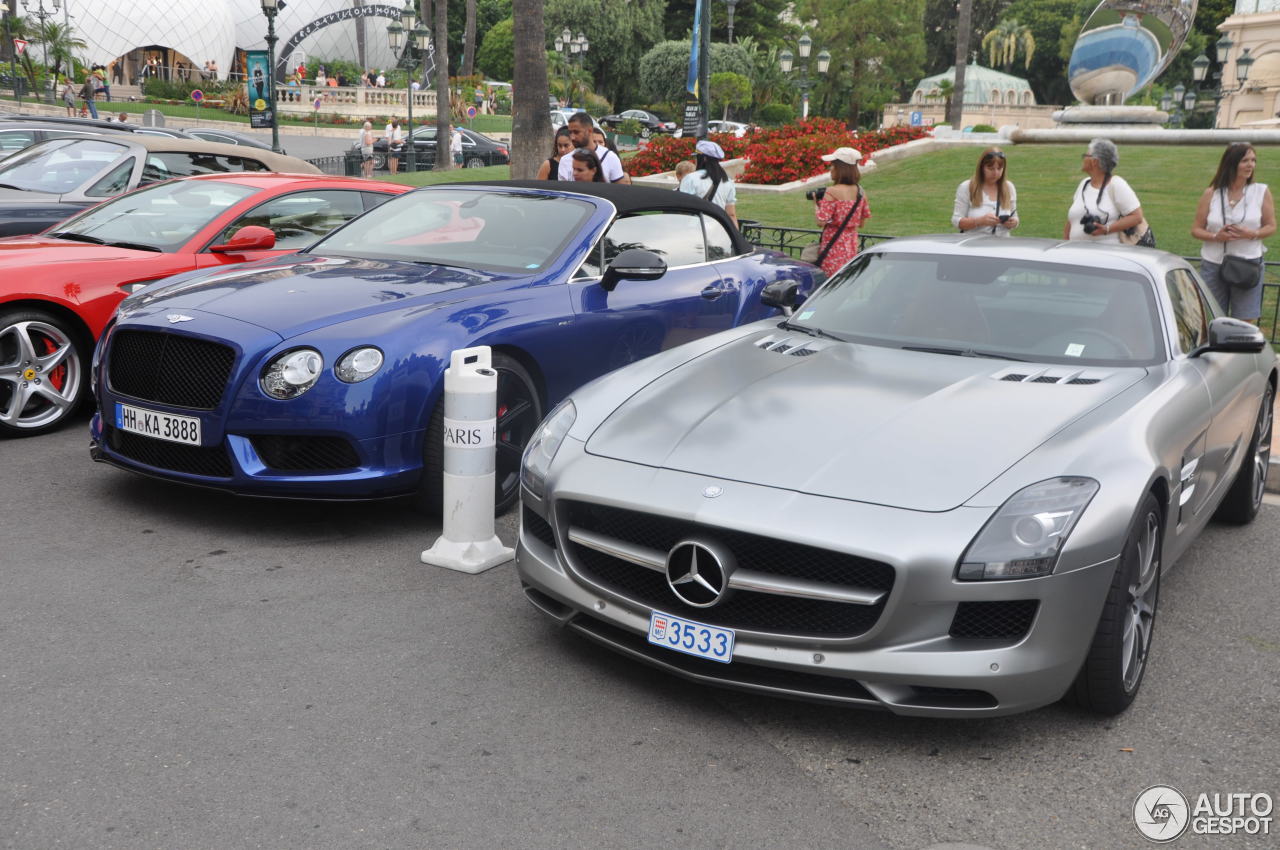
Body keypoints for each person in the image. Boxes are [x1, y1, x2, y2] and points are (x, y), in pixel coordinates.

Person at [1191, 143, 1277, 323]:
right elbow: (1196, 229)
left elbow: (1271, 226)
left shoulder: (1260, 191)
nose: (1250, 165)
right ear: (1231, 163)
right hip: (1214, 263)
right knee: (1213, 317)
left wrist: (1251, 233)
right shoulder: (1212, 193)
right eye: (1245, 160)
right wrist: (1216, 237)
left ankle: (1239, 351)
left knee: (1245, 320)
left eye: (1253, 160)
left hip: (1247, 264)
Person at [1064, 138, 1143, 243]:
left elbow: (1137, 217)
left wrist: (1106, 229)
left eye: (1085, 156)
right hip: (1075, 254)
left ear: (1095, 162)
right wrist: (1064, 244)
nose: (1083, 159)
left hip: (1106, 255)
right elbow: (1072, 221)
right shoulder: (1084, 184)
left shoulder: (1116, 184)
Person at [812, 146, 871, 276]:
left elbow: (821, 221)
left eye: (832, 165)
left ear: (840, 168)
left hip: (832, 249)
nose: (830, 168)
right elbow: (861, 223)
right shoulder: (861, 192)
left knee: (829, 284)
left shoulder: (832, 191)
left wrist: (816, 205)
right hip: (850, 247)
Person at [953, 148, 1018, 236]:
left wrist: (1013, 222)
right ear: (981, 168)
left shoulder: (1009, 187)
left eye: (999, 168)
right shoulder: (967, 187)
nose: (995, 173)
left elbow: (1014, 216)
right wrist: (979, 221)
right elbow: (957, 221)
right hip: (974, 245)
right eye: (991, 169)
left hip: (1002, 245)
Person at [679, 140, 738, 227]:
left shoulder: (690, 178)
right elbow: (731, 214)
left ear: (704, 158)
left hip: (696, 230)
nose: (695, 160)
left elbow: (682, 209)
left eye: (696, 157)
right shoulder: (728, 181)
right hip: (718, 229)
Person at [557, 112, 626, 182]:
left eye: (576, 132)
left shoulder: (610, 157)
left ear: (590, 131)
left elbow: (619, 190)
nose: (572, 137)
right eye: (570, 132)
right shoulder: (565, 160)